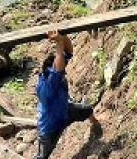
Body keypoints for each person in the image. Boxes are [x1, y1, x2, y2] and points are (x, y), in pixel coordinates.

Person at [35, 30, 100, 159]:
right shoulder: (46, 87)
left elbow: (68, 52)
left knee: (87, 109)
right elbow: (58, 68)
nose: (63, 71)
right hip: (49, 127)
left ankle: (95, 125)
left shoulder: (54, 73)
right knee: (42, 157)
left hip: (65, 110)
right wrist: (59, 42)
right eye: (60, 69)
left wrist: (63, 36)